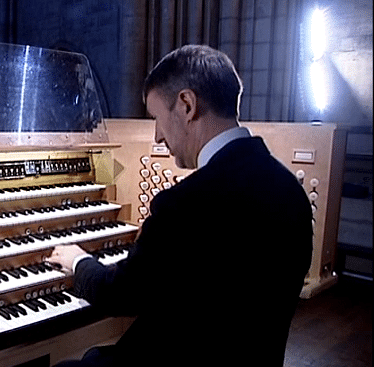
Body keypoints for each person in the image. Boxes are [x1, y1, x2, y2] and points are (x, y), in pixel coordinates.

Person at [48, 45, 312, 366]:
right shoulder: (290, 191)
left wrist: (79, 261)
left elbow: (120, 295)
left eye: (157, 118)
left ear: (186, 105)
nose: (158, 136)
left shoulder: (184, 204)